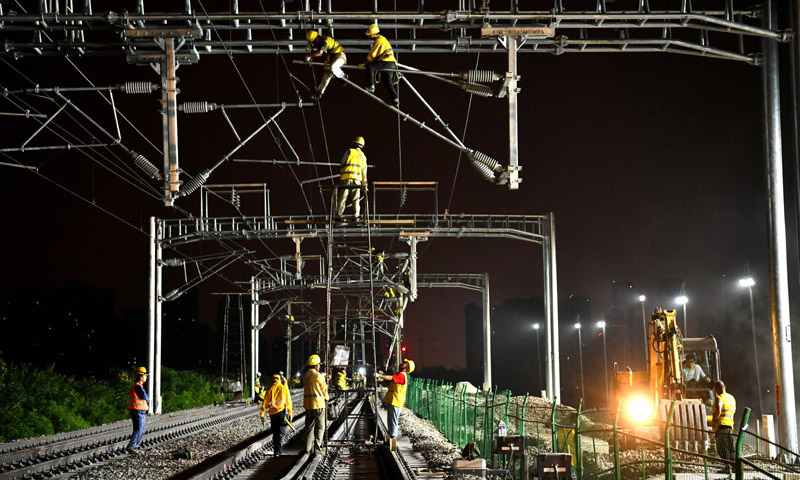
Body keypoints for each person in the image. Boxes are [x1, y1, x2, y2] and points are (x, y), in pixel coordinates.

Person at [376, 358, 415, 451]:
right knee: (390, 420)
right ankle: (390, 438)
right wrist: (378, 381)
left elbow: (390, 378)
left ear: (406, 367)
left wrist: (379, 375)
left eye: (404, 363)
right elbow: (387, 383)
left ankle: (393, 439)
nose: (401, 363)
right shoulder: (399, 375)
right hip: (393, 401)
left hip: (396, 401)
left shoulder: (402, 375)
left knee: (393, 421)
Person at [360, 24, 399, 106]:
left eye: (370, 34)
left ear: (374, 34)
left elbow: (372, 55)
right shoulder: (382, 39)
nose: (369, 36)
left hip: (387, 62)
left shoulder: (378, 41)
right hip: (392, 63)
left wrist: (365, 63)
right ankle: (395, 99)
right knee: (387, 82)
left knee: (370, 67)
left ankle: (371, 86)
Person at [305, 30, 347, 99]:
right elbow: (319, 48)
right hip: (332, 59)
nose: (314, 43)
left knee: (332, 67)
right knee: (326, 76)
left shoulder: (325, 41)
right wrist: (311, 48)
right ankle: (319, 92)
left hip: (340, 56)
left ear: (317, 38)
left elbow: (319, 53)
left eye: (314, 41)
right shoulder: (321, 40)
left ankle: (344, 76)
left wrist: (310, 55)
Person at [260, 373, 293, 456]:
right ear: (279, 380)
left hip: (273, 414)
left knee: (275, 432)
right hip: (282, 413)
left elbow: (265, 403)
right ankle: (278, 450)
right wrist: (290, 413)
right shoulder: (284, 388)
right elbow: (289, 402)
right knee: (281, 432)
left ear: (273, 380)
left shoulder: (269, 389)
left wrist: (262, 413)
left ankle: (276, 451)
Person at [336, 136, 367, 221]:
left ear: (354, 143)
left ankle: (339, 216)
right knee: (356, 199)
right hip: (357, 180)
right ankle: (356, 216)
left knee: (343, 198)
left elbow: (342, 163)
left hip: (346, 178)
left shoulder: (349, 151)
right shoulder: (363, 156)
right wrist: (364, 184)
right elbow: (364, 172)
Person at [303, 354, 329, 454]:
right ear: (315, 366)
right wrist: (326, 399)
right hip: (318, 404)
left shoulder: (305, 376)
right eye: (318, 365)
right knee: (320, 426)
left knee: (309, 427)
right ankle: (317, 447)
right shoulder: (319, 376)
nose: (319, 367)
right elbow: (324, 390)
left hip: (308, 405)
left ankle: (307, 448)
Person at [711, 380, 736, 464]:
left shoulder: (719, 398)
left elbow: (718, 410)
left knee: (723, 448)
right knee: (731, 448)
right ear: (724, 387)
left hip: (721, 427)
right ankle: (733, 467)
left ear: (716, 389)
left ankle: (727, 467)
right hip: (730, 426)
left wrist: (714, 420)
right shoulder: (731, 398)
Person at [126, 366, 150, 455]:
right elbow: (145, 396)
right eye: (145, 375)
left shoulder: (139, 386)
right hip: (137, 410)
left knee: (140, 429)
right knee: (139, 429)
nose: (146, 377)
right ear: (141, 376)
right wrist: (148, 397)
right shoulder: (137, 386)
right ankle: (131, 446)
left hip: (139, 411)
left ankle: (135, 446)